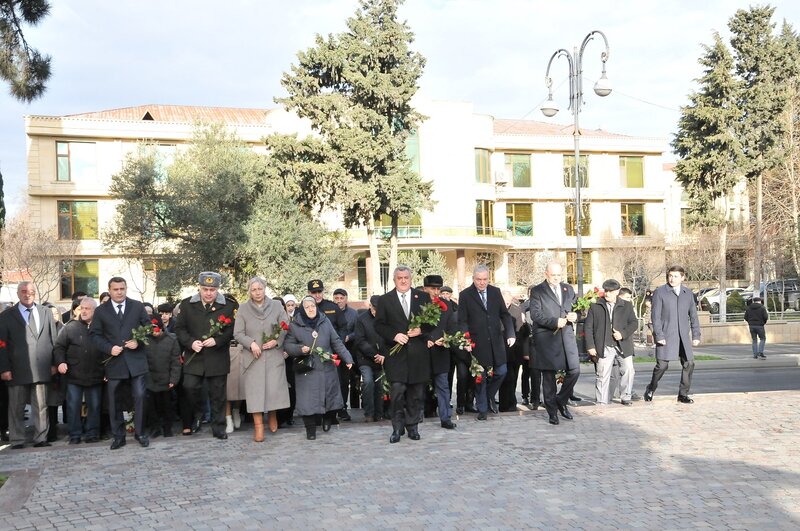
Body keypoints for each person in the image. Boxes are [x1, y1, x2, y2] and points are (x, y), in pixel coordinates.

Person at [89, 276, 153, 449]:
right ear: (109, 290)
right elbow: (94, 335)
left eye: (122, 289)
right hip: (115, 362)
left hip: (136, 361)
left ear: (126, 289)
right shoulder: (101, 311)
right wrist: (109, 348)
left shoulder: (137, 306)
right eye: (115, 289)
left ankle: (140, 433)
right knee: (114, 400)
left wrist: (138, 341)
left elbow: (149, 328)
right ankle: (119, 436)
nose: (119, 292)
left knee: (140, 396)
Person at [173, 272, 237, 440]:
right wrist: (190, 342)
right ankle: (197, 414)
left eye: (212, 289)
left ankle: (219, 427)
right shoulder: (187, 305)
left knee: (218, 395)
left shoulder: (228, 306)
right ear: (199, 288)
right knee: (189, 387)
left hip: (217, 357)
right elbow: (179, 329)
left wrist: (217, 340)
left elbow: (231, 330)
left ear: (218, 289)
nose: (209, 293)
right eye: (205, 289)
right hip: (194, 357)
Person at [374, 265, 433, 443]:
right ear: (394, 280)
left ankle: (412, 427)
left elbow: (433, 322)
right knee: (398, 392)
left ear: (411, 278)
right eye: (399, 278)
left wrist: (421, 330)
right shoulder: (385, 300)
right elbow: (379, 325)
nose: (403, 280)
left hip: (417, 355)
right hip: (396, 355)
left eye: (406, 277)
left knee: (416, 394)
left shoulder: (422, 297)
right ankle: (397, 427)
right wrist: (394, 335)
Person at [284, 296, 353, 440]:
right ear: (302, 309)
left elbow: (336, 341)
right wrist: (299, 349)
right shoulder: (295, 324)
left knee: (329, 396)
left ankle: (327, 419)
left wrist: (347, 358)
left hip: (326, 366)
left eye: (313, 306)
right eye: (307, 306)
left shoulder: (325, 321)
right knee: (307, 400)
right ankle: (310, 429)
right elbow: (288, 345)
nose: (311, 309)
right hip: (307, 369)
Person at [0, 282, 59, 449]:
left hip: (42, 368)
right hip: (17, 369)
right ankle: (17, 439)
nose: (28, 294)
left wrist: (55, 363)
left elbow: (54, 340)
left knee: (41, 406)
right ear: (18, 294)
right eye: (24, 291)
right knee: (16, 407)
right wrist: (4, 368)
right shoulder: (6, 316)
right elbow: (1, 344)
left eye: (31, 291)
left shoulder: (46, 312)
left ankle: (41, 438)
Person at [233, 277, 291, 442]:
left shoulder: (276, 305)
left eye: (260, 289)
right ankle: (258, 427)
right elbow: (237, 333)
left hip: (273, 355)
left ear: (265, 289)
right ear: (249, 291)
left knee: (272, 389)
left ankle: (272, 414)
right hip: (253, 357)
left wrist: (277, 340)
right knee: (255, 392)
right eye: (254, 289)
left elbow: (285, 325)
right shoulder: (243, 309)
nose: (257, 292)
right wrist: (251, 343)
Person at [458, 265, 515, 421]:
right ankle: (482, 409)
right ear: (473, 279)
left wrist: (511, 333)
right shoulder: (465, 295)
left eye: (485, 279)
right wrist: (466, 339)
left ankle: (487, 396)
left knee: (502, 371)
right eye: (479, 280)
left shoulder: (495, 292)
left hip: (496, 341)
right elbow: (462, 321)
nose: (482, 283)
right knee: (480, 376)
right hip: (477, 343)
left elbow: (505, 315)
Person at [529, 262, 580, 425]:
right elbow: (535, 315)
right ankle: (552, 411)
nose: (557, 278)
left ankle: (561, 400)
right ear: (546, 274)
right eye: (553, 275)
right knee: (549, 377)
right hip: (548, 337)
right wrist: (553, 322)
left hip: (566, 336)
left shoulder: (568, 289)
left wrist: (575, 315)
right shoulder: (538, 291)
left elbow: (578, 308)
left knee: (575, 370)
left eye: (559, 275)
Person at [644, 265, 701, 404]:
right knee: (662, 366)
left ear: (683, 277)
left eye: (676, 276)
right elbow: (655, 316)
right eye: (670, 276)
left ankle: (683, 394)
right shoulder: (660, 292)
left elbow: (693, 316)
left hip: (683, 336)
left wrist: (696, 335)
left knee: (689, 364)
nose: (672, 279)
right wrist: (659, 336)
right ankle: (651, 388)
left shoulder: (688, 293)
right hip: (666, 335)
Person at [54, 297, 104, 444]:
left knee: (94, 406)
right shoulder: (70, 327)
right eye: (82, 308)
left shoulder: (102, 328)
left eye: (87, 309)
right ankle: (75, 434)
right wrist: (61, 362)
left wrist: (106, 371)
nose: (83, 311)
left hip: (96, 374)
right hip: (73, 376)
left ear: (95, 310)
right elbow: (59, 347)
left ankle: (92, 433)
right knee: (73, 406)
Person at [584, 279, 638, 405]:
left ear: (617, 292)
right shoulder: (595, 306)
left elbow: (634, 323)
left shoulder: (627, 305)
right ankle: (601, 401)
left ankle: (626, 397)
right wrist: (590, 346)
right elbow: (588, 327)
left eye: (610, 291)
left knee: (628, 370)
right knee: (602, 374)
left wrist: (622, 334)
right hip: (604, 345)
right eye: (606, 291)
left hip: (623, 345)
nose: (607, 294)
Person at [422, 275, 457, 429]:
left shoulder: (447, 305)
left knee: (443, 385)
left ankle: (445, 417)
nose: (436, 292)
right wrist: (426, 339)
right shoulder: (418, 303)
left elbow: (452, 326)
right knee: (419, 386)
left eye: (438, 289)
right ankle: (417, 416)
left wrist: (446, 338)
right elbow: (412, 325)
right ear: (425, 289)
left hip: (441, 351)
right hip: (422, 351)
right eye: (432, 288)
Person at [145, 314, 181, 438]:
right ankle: (155, 428)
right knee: (152, 406)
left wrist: (173, 379)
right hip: (150, 379)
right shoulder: (144, 340)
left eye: (156, 329)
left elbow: (176, 361)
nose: (154, 332)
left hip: (166, 379)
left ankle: (167, 428)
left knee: (167, 406)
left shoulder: (171, 339)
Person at [354, 295, 386, 423]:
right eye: (374, 309)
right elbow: (360, 341)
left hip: (382, 358)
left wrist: (383, 355)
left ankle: (379, 413)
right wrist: (374, 355)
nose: (376, 312)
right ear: (370, 306)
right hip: (365, 358)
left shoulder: (386, 318)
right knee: (368, 382)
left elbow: (389, 337)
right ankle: (369, 413)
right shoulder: (361, 319)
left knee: (380, 385)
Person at [332, 287, 359, 422]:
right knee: (332, 380)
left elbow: (358, 331)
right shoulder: (329, 312)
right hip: (331, 352)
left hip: (347, 351)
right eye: (336, 298)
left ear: (346, 299)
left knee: (344, 380)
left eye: (341, 298)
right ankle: (332, 409)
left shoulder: (353, 314)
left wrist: (349, 337)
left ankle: (343, 408)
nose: (339, 301)